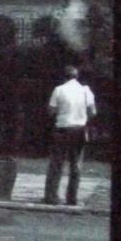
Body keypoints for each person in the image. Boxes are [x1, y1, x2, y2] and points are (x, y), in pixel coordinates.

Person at [44, 65, 96, 206]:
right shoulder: (86, 91)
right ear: (76, 76)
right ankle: (72, 197)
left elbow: (51, 111)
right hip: (79, 129)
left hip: (62, 129)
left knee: (57, 163)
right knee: (76, 164)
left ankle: (51, 196)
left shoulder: (59, 90)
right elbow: (92, 111)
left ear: (63, 77)